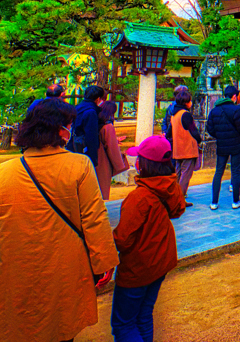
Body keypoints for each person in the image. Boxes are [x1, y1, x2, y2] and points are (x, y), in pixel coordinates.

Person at [0, 99, 119, 342]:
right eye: (69, 125)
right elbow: (94, 219)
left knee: (15, 328)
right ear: (60, 130)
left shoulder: (3, 172)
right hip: (64, 268)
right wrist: (104, 262)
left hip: (13, 270)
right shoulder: (79, 165)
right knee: (60, 327)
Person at [111, 135, 186, 342]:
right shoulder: (171, 186)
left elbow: (123, 238)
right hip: (160, 261)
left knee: (124, 324)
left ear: (144, 164)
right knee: (143, 316)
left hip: (139, 267)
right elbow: (177, 210)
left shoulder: (139, 197)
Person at [205, 85, 240, 210]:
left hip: (222, 145)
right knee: (236, 171)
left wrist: (220, 136)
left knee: (218, 172)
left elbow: (209, 128)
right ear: (234, 96)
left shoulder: (214, 110)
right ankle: (236, 200)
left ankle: (214, 202)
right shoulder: (236, 110)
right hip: (236, 144)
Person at [166, 86, 201, 203]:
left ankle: (174, 196)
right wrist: (199, 140)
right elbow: (193, 130)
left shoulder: (173, 114)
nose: (191, 103)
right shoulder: (185, 114)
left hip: (177, 148)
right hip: (187, 148)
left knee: (178, 173)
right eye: (190, 100)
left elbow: (169, 132)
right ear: (186, 102)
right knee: (186, 175)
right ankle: (179, 199)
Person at [96, 101, 129, 201]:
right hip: (103, 160)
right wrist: (119, 164)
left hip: (94, 156)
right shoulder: (108, 126)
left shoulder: (96, 122)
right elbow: (111, 147)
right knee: (102, 189)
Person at [69, 85, 105, 167]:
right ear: (98, 99)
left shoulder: (78, 107)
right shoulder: (91, 112)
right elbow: (91, 135)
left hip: (74, 143)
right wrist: (93, 158)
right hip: (84, 148)